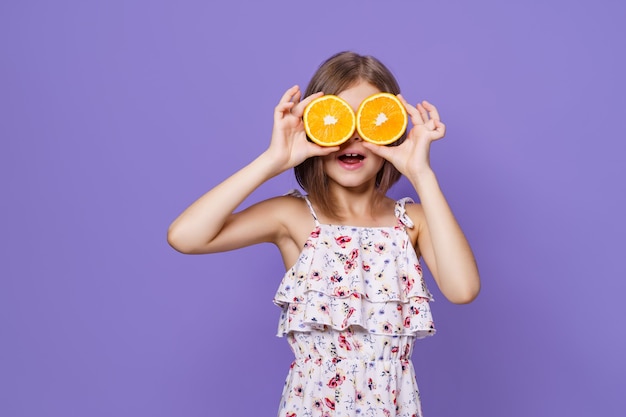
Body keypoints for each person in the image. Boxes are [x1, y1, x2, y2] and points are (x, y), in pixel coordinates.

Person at [167, 51, 480, 417]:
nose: (351, 139)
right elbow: (185, 236)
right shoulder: (293, 216)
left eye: (369, 122)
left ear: (391, 129)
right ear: (315, 125)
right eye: (338, 119)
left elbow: (463, 290)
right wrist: (273, 160)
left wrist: (421, 174)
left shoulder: (413, 221)